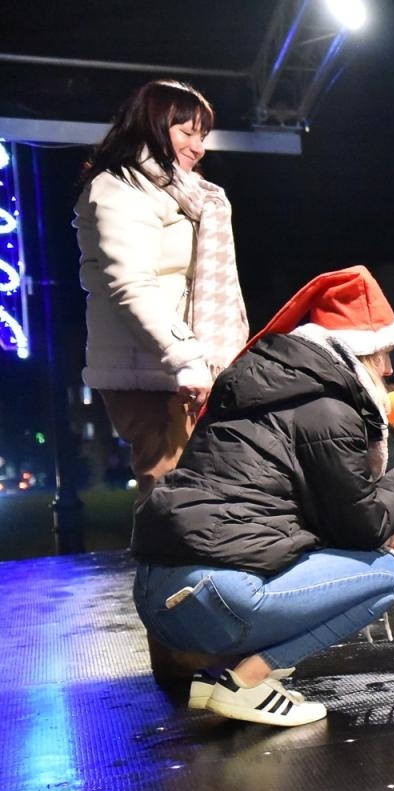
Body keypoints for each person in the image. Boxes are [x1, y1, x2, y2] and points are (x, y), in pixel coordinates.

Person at [130, 266, 394, 724]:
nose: (390, 369)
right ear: (356, 352)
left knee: (373, 558)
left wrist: (380, 534)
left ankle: (219, 678)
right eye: (383, 354)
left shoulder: (266, 390)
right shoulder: (329, 409)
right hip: (214, 597)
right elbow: (362, 524)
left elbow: (303, 518)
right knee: (386, 576)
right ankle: (246, 683)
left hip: (160, 594)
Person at [75, 80, 248, 502]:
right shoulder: (122, 186)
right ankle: (168, 569)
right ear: (152, 125)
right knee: (170, 492)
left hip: (176, 368)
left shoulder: (179, 193)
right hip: (152, 370)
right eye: (186, 131)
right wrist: (185, 356)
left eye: (202, 135)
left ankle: (179, 566)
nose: (198, 147)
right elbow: (130, 284)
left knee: (190, 493)